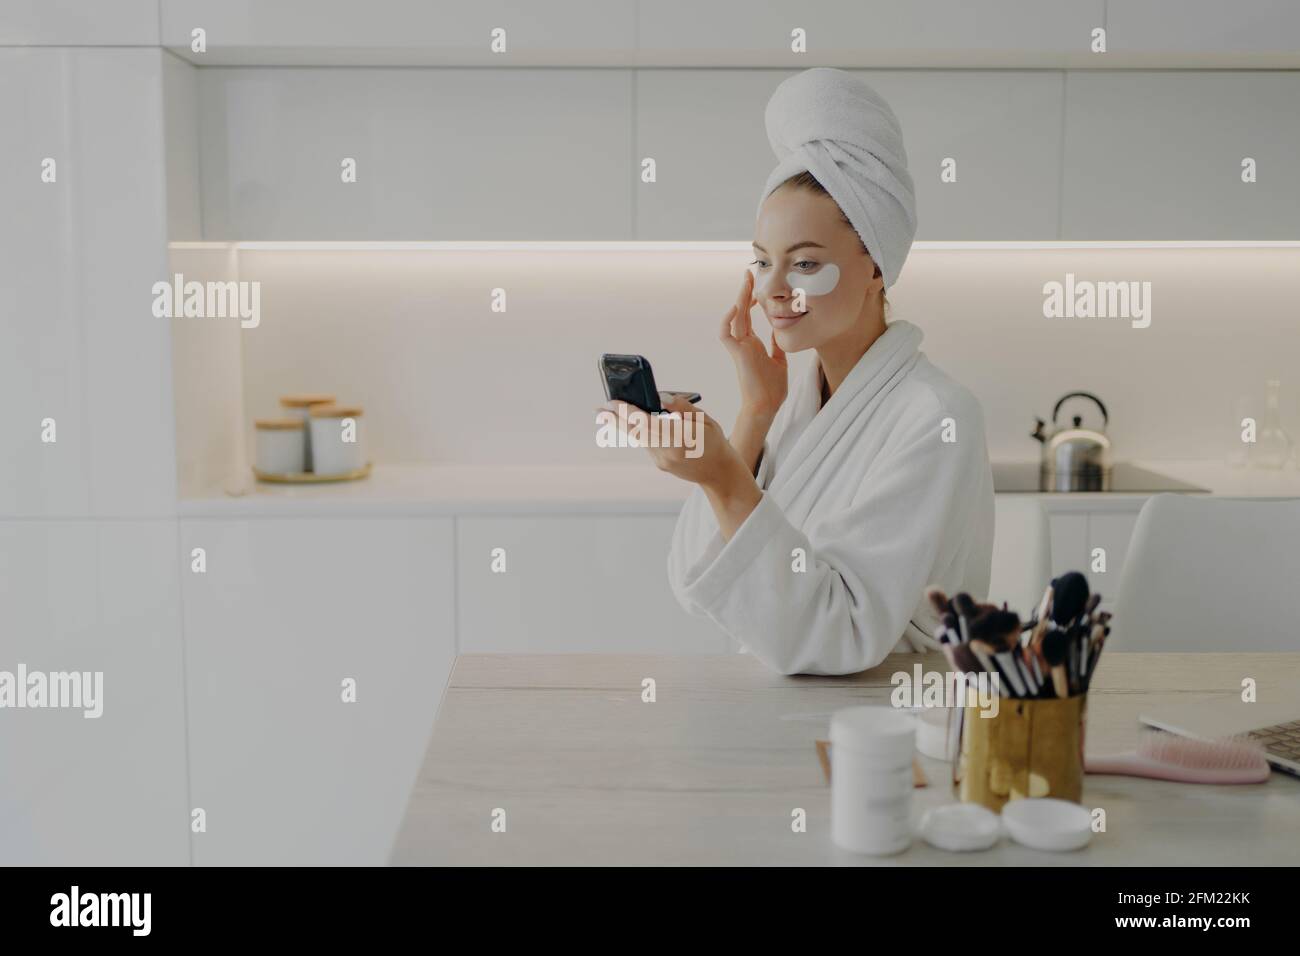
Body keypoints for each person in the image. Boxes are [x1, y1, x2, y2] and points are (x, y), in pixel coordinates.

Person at [608, 68, 994, 675]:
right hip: (786, 713)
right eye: (762, 262)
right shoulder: (792, 405)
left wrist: (726, 480)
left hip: (888, 730)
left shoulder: (937, 417)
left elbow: (837, 636)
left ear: (876, 269)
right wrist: (753, 416)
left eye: (806, 263)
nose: (774, 290)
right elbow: (695, 582)